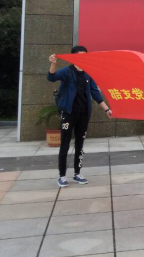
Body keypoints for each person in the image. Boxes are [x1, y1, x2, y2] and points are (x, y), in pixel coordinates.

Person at [48, 47, 113, 188]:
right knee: (65, 144)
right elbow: (51, 77)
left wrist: (106, 109)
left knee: (80, 144)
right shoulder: (67, 71)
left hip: (83, 114)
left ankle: (77, 173)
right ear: (74, 57)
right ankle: (62, 176)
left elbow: (95, 93)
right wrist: (53, 63)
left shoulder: (88, 73)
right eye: (81, 56)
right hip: (69, 114)